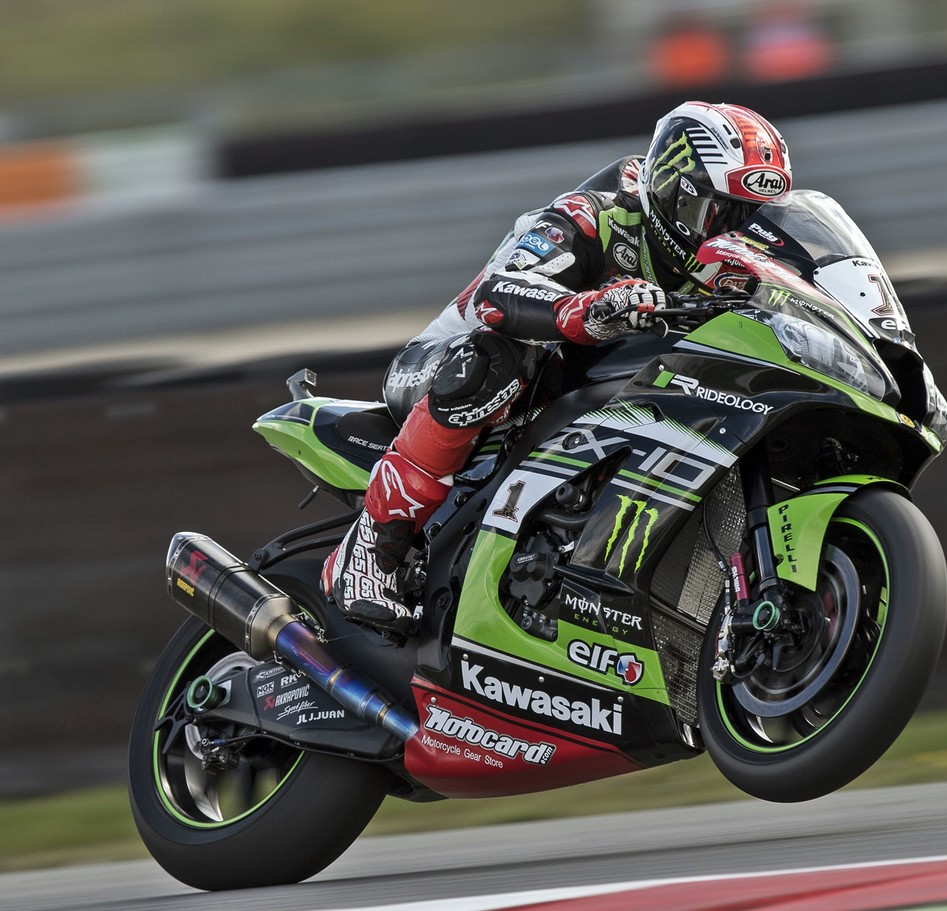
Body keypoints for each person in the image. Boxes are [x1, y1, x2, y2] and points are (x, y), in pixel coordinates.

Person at [323, 101, 793, 633]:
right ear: (671, 189)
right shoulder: (595, 215)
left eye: (749, 218)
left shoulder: (732, 266)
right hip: (439, 366)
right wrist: (591, 307)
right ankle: (371, 549)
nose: (730, 233)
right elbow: (497, 294)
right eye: (718, 214)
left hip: (565, 398)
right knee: (498, 358)